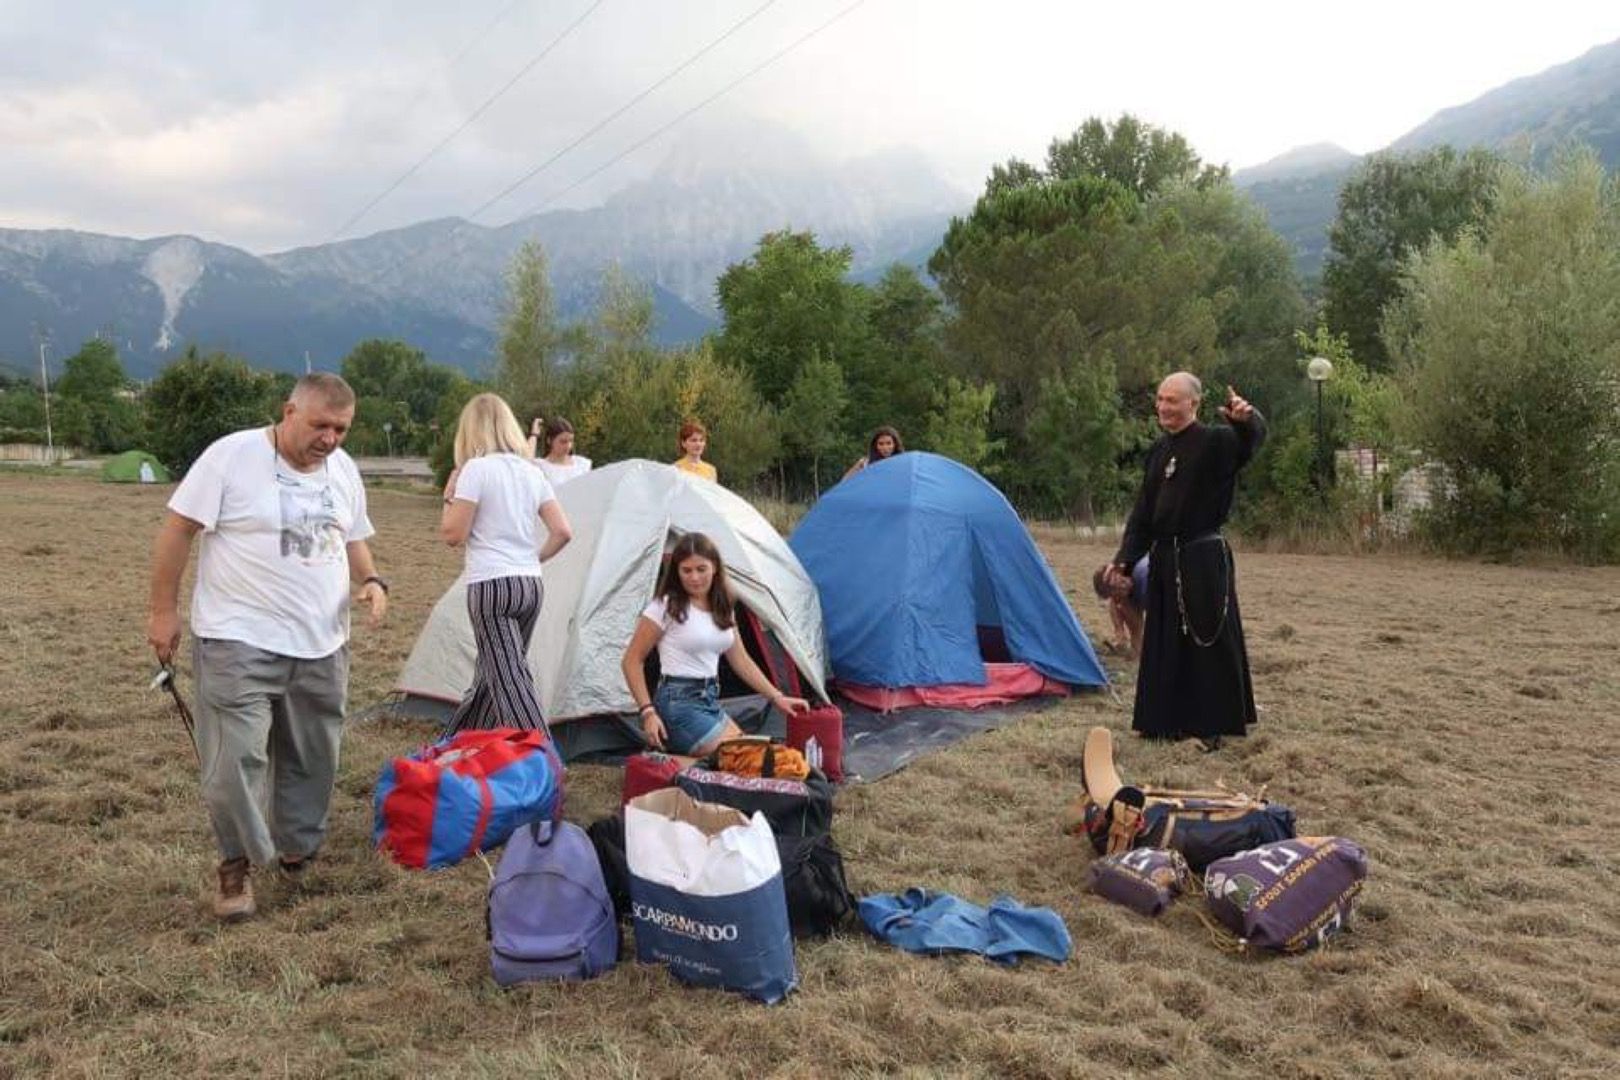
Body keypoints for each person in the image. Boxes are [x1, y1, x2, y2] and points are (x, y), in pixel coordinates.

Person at [146, 373, 388, 923]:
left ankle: (297, 847)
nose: (330, 439)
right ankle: (235, 865)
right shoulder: (230, 457)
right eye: (320, 425)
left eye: (342, 429)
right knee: (235, 760)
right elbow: (177, 529)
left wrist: (373, 581)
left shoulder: (344, 470)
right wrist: (163, 611)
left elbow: (353, 536)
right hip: (237, 639)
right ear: (288, 412)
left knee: (313, 756)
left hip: (323, 642)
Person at [1106, 373, 1266, 752]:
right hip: (1164, 557)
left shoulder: (1217, 441)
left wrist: (1248, 419)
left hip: (1201, 556)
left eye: (1173, 400)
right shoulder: (1159, 451)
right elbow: (1143, 513)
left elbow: (1250, 443)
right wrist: (1125, 560)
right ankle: (1161, 721)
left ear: (1193, 403)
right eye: (1160, 399)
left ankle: (1209, 726)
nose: (1164, 407)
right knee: (1164, 641)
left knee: (1204, 640)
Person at [441, 394, 573, 735]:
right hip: (529, 584)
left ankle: (542, 756)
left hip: (491, 585)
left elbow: (453, 534)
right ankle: (463, 741)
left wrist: (449, 495)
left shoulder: (476, 470)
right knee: (494, 673)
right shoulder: (531, 471)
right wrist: (532, 558)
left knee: (510, 678)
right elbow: (562, 531)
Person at [621, 532, 809, 756]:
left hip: (709, 700)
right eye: (686, 570)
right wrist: (648, 712)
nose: (694, 578)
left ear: (715, 568)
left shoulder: (723, 605)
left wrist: (776, 697)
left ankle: (675, 763)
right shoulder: (666, 606)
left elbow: (740, 659)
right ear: (676, 571)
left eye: (701, 569)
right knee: (742, 760)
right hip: (677, 703)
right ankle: (671, 763)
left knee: (754, 756)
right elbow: (631, 660)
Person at [1091, 554, 1148, 659]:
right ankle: (1121, 637)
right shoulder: (1126, 567)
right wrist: (1120, 631)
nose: (1121, 586)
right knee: (1119, 602)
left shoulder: (1145, 580)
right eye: (1114, 590)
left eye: (1119, 582)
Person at [530, 416, 592, 488]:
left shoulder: (582, 464)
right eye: (563, 442)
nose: (568, 446)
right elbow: (525, 460)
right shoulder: (540, 467)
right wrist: (534, 434)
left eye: (571, 441)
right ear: (549, 441)